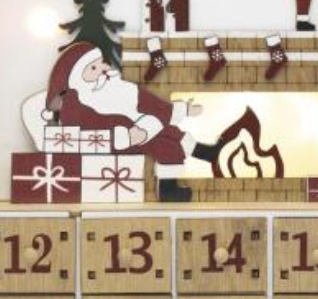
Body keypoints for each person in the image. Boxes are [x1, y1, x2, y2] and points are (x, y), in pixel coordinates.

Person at [44, 41, 220, 201]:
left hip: (136, 131)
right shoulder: (76, 101)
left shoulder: (112, 87)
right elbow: (86, 131)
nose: (103, 68)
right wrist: (126, 137)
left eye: (101, 63)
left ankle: (206, 153)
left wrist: (183, 110)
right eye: (93, 68)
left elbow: (146, 101)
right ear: (77, 77)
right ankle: (168, 190)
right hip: (116, 142)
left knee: (170, 130)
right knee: (165, 145)